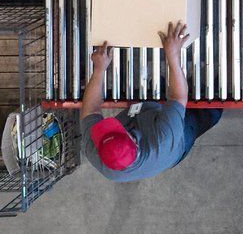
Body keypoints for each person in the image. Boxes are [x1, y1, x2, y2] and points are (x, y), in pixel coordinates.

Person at [86, 21, 221, 183]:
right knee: (204, 112)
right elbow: (178, 97)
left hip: (143, 114)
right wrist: (172, 54)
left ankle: (160, 88)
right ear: (134, 141)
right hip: (179, 141)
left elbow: (91, 110)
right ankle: (215, 98)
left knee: (156, 94)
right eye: (118, 130)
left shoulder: (95, 150)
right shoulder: (164, 140)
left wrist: (99, 69)